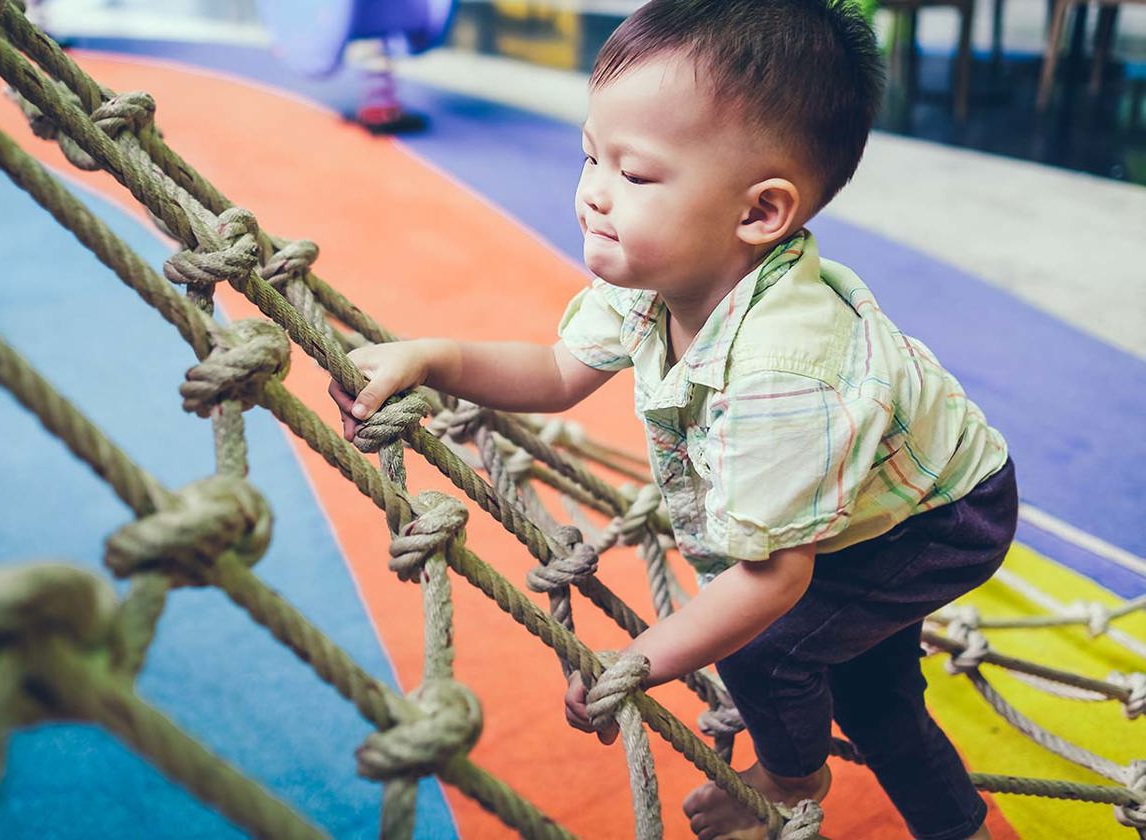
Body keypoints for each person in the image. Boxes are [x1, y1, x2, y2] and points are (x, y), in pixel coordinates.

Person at [327, 1, 1015, 838]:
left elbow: (774, 580)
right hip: (867, 496)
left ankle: (792, 780)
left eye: (635, 176)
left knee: (769, 648)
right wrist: (432, 358)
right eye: (589, 156)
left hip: (935, 520)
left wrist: (634, 662)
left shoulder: (783, 374)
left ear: (760, 213)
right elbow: (554, 371)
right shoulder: (658, 276)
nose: (592, 195)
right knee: (875, 697)